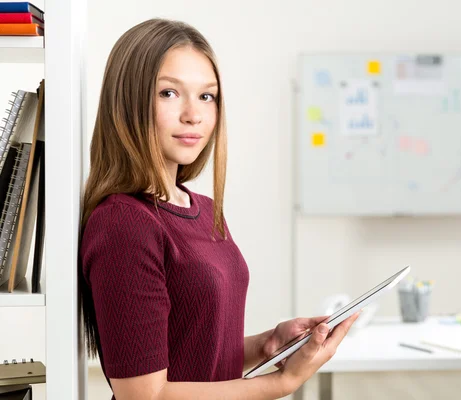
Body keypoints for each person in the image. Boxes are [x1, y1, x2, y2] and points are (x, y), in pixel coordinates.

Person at [78, 18, 359, 400]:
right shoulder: (123, 222)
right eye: (169, 93)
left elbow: (190, 347)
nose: (194, 114)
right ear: (127, 101)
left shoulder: (205, 210)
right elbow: (146, 395)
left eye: (207, 96)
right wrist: (281, 383)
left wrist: (267, 344)